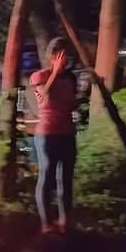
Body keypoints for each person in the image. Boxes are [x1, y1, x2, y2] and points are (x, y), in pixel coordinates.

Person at [29, 38, 79, 235]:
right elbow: (44, 98)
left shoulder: (70, 78)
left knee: (66, 179)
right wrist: (55, 72)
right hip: (47, 134)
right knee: (47, 176)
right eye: (63, 54)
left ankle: (65, 220)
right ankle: (46, 223)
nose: (67, 58)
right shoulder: (39, 76)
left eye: (68, 54)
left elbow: (71, 103)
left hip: (67, 132)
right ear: (53, 56)